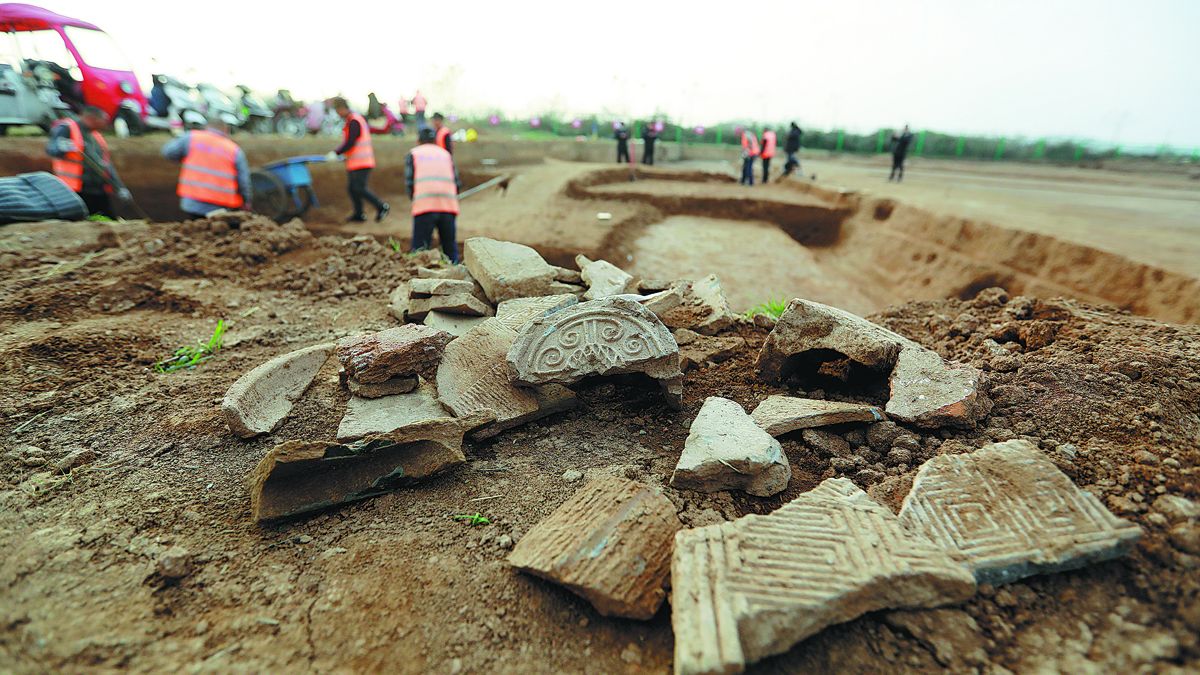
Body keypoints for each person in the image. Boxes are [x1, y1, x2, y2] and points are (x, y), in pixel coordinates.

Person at [46, 106, 132, 218]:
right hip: (77, 190)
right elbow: (51, 149)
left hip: (97, 189)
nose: (106, 123)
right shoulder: (67, 128)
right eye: (104, 120)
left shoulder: (96, 136)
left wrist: (119, 187)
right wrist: (61, 147)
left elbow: (106, 165)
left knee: (106, 218)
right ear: (92, 119)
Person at [161, 116, 251, 218]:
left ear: (206, 127)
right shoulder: (234, 150)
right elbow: (243, 181)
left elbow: (168, 152)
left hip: (192, 202)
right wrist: (246, 201)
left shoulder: (192, 138)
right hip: (221, 205)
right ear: (226, 130)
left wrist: (186, 157)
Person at [326, 96, 389, 222]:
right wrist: (343, 154)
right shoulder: (351, 120)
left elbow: (351, 141)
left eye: (337, 111)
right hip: (354, 162)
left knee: (359, 188)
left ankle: (381, 206)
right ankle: (359, 213)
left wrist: (336, 152)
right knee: (352, 189)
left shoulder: (354, 121)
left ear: (342, 108)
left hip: (362, 162)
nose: (338, 114)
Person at [405, 126, 461, 262]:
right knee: (450, 248)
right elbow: (457, 182)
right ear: (435, 140)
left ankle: (417, 278)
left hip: (424, 206)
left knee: (419, 250)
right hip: (448, 206)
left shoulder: (413, 154)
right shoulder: (446, 154)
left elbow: (409, 182)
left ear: (418, 140)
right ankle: (458, 277)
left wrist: (415, 199)